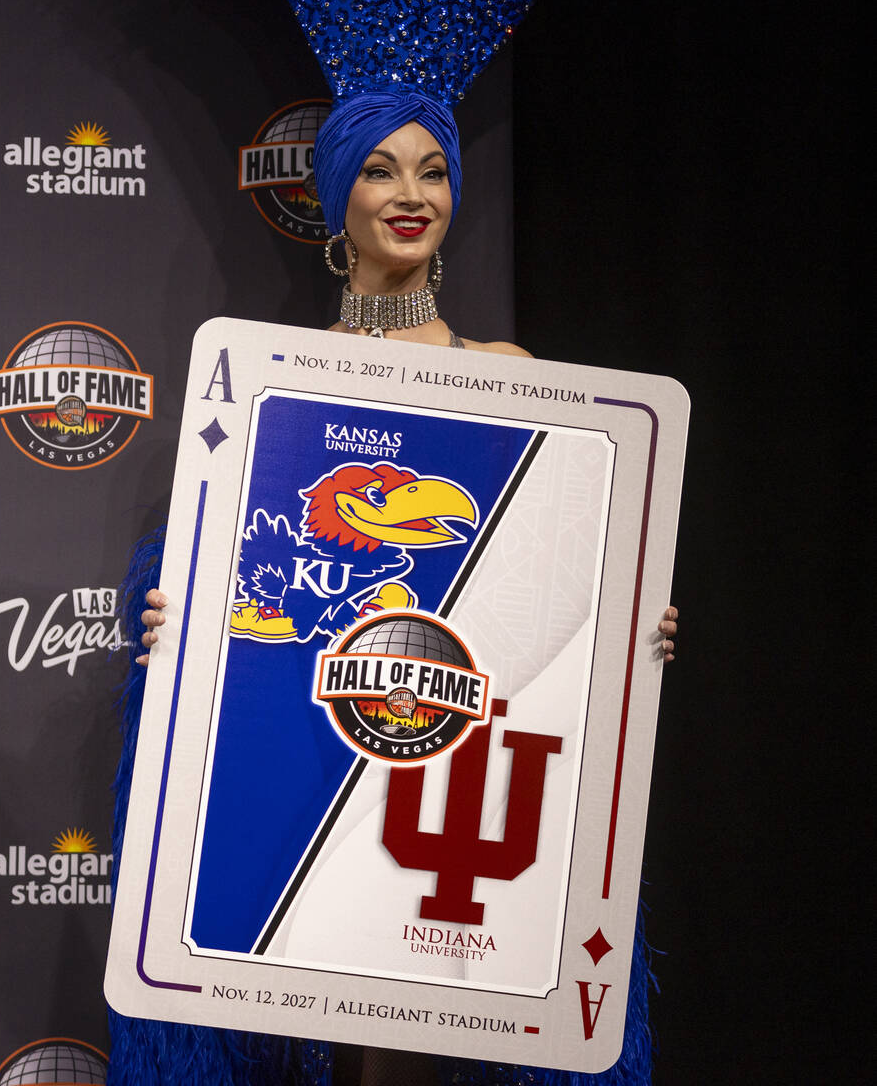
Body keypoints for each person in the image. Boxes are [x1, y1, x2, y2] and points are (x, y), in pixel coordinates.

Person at [118, 97, 678, 1086]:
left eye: (433, 171)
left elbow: (557, 579)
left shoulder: (512, 378)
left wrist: (629, 616)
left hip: (450, 756)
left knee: (417, 1025)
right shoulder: (268, 381)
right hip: (313, 744)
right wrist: (172, 605)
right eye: (380, 171)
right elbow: (240, 563)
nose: (411, 195)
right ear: (336, 200)